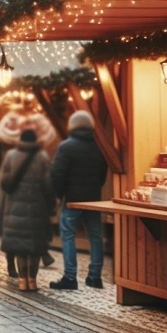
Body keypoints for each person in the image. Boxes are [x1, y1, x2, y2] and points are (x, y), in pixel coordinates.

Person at [50, 111, 109, 290]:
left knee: (68, 235)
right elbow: (102, 174)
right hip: (93, 199)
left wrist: (59, 195)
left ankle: (70, 277)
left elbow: (58, 175)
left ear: (72, 126)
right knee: (96, 236)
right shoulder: (99, 147)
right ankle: (95, 277)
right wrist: (94, 189)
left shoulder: (66, 147)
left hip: (72, 200)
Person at [0, 129, 55, 292]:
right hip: (38, 208)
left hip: (15, 207)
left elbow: (4, 183)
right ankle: (32, 281)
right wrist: (51, 206)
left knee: (20, 247)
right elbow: (48, 185)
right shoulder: (42, 157)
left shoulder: (11, 155)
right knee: (35, 248)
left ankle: (22, 281)